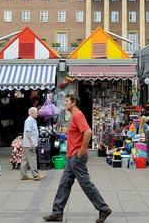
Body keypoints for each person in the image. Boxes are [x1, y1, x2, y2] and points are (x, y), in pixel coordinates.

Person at [43, 93, 111, 222]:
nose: (65, 103)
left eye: (67, 101)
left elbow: (88, 132)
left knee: (86, 184)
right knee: (64, 184)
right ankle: (57, 212)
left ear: (74, 102)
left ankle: (103, 208)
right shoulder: (73, 116)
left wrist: (82, 149)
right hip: (71, 157)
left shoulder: (78, 115)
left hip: (76, 157)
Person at [21, 107, 45, 181]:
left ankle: (24, 175)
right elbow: (27, 131)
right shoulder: (29, 120)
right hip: (30, 144)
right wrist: (31, 142)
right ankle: (35, 175)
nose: (37, 113)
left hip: (27, 144)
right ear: (31, 113)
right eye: (36, 112)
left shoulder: (31, 120)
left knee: (25, 159)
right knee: (32, 158)